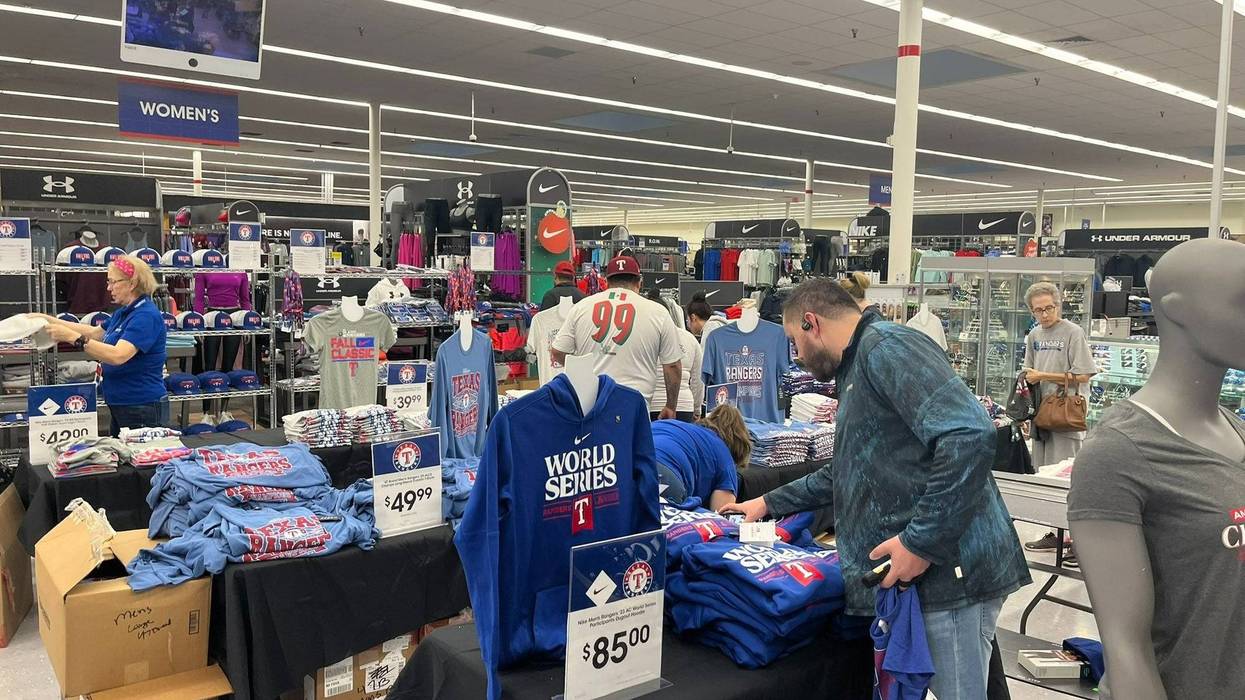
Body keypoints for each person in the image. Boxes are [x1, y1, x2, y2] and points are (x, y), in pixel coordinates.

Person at [719, 279, 1030, 700]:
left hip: (951, 576)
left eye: (795, 342)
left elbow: (970, 435)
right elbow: (846, 469)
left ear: (811, 323)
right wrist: (765, 502)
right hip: (931, 578)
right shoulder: (860, 365)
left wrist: (920, 543)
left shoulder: (886, 349)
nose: (797, 357)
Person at [39, 256, 169, 435]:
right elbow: (94, 333)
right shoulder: (124, 312)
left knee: (140, 461)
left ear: (132, 283)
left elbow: (118, 355)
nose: (108, 288)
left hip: (140, 406)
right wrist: (49, 320)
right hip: (123, 403)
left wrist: (73, 338)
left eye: (113, 282)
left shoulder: (145, 316)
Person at [551, 255, 682, 419]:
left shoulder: (581, 307)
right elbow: (672, 366)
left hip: (591, 401)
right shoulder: (658, 312)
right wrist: (671, 405)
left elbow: (557, 351)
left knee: (593, 444)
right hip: (634, 404)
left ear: (606, 281)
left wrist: (581, 370)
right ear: (639, 282)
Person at [1020, 281, 1097, 555]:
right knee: (1046, 477)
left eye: (1049, 308)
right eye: (1038, 310)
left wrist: (1044, 377)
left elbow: (1085, 375)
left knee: (1069, 480)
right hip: (1042, 414)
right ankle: (1056, 532)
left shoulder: (1073, 333)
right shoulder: (1034, 336)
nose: (1044, 314)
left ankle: (1079, 540)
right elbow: (1028, 372)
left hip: (1066, 415)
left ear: (1058, 305)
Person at [652, 404, 750, 511]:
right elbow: (721, 514)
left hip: (634, 455)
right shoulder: (725, 457)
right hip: (664, 470)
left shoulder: (683, 429)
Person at [646, 289, 703, 421]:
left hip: (651, 405)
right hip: (684, 406)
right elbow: (697, 380)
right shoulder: (689, 338)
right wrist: (697, 409)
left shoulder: (643, 337)